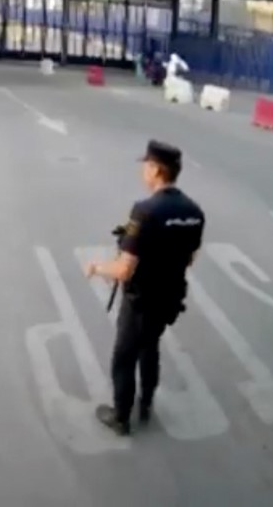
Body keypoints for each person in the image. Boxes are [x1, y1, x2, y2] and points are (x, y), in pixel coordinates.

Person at [84, 140, 205, 436]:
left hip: (142, 300)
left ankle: (121, 417)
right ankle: (146, 402)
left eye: (146, 165)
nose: (143, 170)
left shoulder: (145, 210)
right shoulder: (194, 212)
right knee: (150, 345)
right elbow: (189, 258)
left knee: (124, 356)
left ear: (155, 169)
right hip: (170, 298)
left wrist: (96, 268)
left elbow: (124, 269)